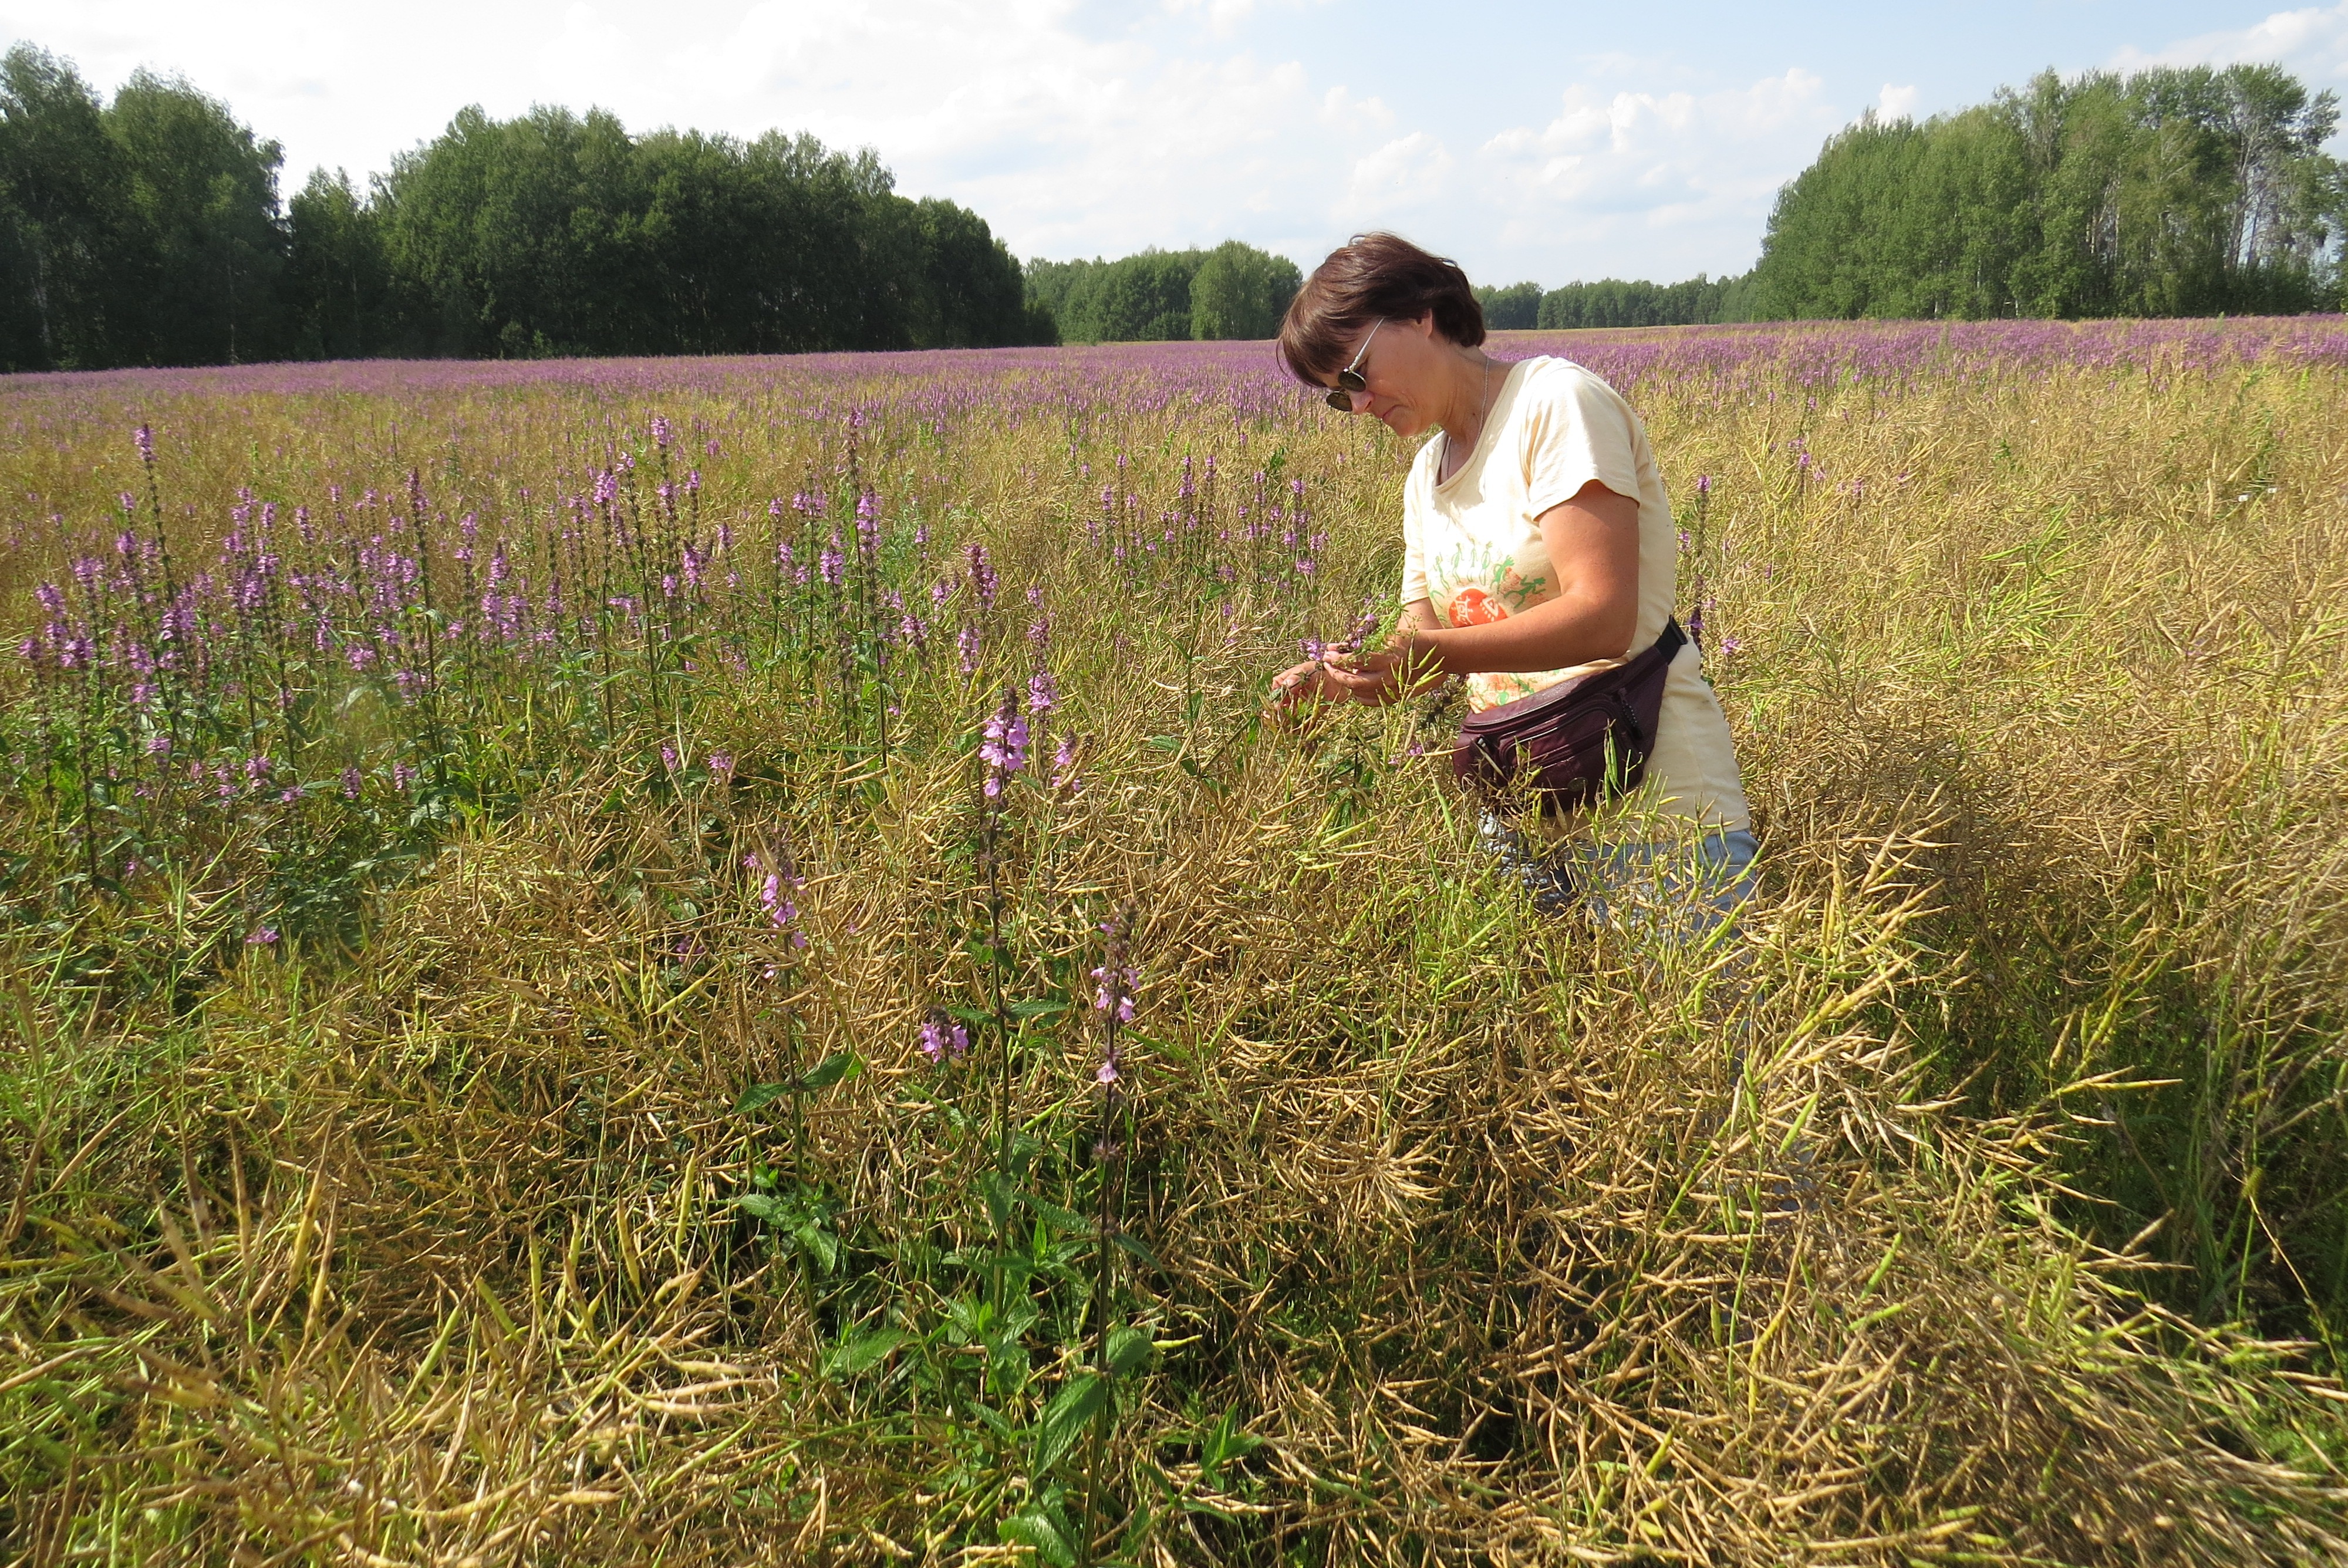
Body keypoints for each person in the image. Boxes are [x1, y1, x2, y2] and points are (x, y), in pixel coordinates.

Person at [1268, 232, 1757, 932]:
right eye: (1337, 400)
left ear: (1418, 317)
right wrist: (1342, 678)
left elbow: (1605, 615)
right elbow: (1423, 644)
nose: (1360, 406)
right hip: (1519, 811)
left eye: (1355, 374)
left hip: (1650, 804)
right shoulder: (1423, 478)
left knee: (1710, 1040)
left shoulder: (1553, 403)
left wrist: (1431, 656)